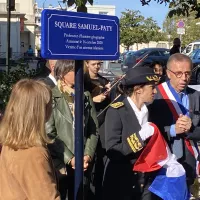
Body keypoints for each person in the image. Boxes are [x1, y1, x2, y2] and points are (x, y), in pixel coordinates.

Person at [102, 66, 162, 200]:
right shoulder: (117, 111)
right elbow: (112, 150)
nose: (155, 91)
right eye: (151, 87)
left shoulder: (150, 110)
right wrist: (139, 137)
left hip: (145, 180)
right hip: (123, 182)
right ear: (138, 89)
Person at [46, 60, 99, 200]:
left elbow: (93, 129)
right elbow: (49, 134)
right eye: (74, 70)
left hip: (83, 163)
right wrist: (70, 158)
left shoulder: (85, 96)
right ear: (63, 74)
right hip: (61, 163)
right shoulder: (51, 96)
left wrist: (87, 155)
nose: (79, 73)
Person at [148, 53, 200, 195]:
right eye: (178, 73)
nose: (184, 78)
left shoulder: (196, 96)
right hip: (162, 160)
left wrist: (191, 129)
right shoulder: (155, 95)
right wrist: (172, 129)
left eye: (187, 73)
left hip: (189, 160)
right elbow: (147, 129)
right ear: (168, 73)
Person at [0, 79, 60, 200]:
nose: (51, 109)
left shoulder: (11, 143)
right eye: (49, 105)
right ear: (39, 111)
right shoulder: (33, 153)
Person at [84, 60, 111, 200]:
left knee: (101, 158)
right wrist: (94, 99)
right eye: (94, 64)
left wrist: (108, 92)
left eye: (99, 64)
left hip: (103, 124)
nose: (97, 67)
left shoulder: (103, 80)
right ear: (86, 64)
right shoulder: (83, 80)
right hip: (89, 124)